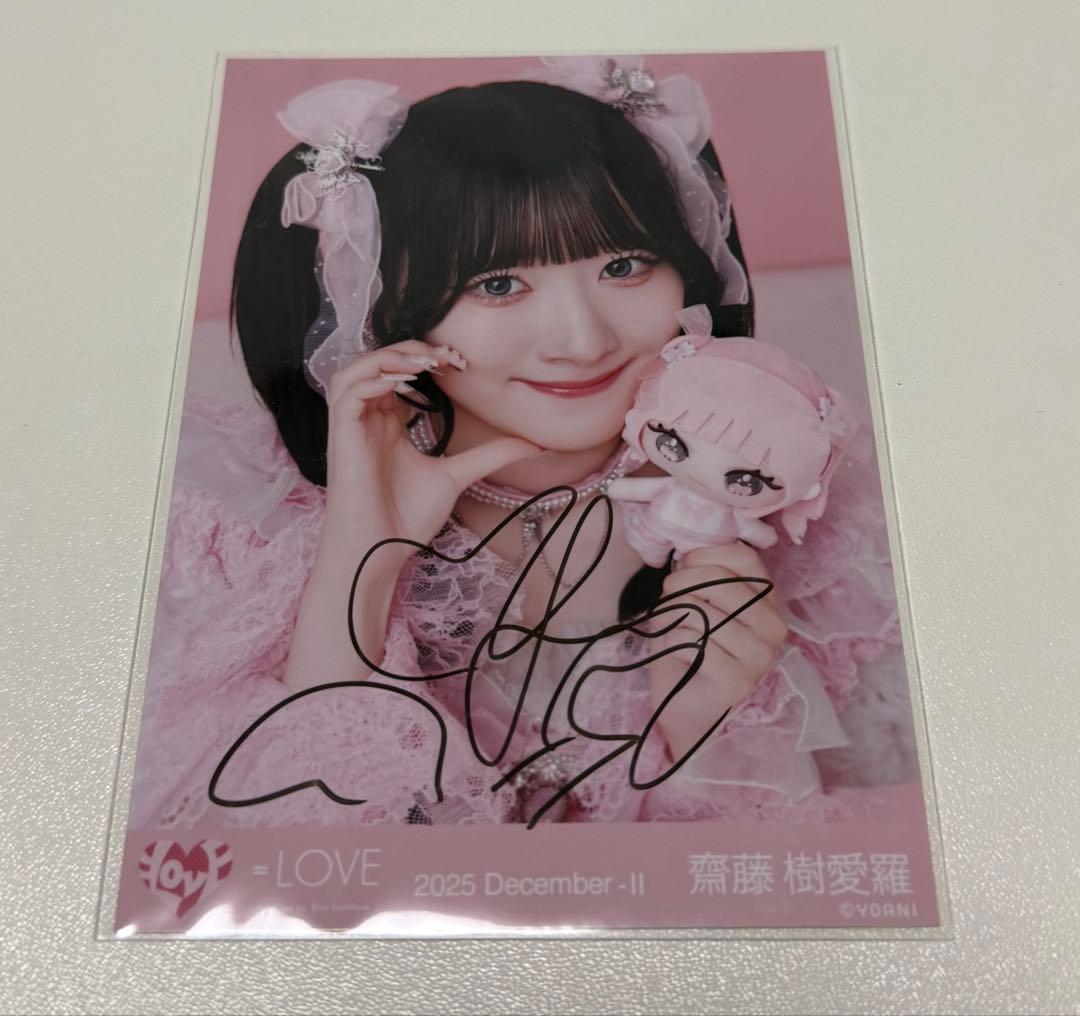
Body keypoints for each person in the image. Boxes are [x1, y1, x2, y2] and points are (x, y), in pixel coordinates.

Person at [129, 56, 908, 832]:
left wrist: (699, 721)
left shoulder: (797, 504)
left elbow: (784, 866)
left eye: (625, 265)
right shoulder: (235, 521)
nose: (582, 341)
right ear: (379, 304)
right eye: (498, 284)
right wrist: (361, 556)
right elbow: (279, 857)